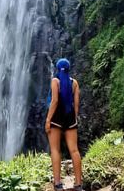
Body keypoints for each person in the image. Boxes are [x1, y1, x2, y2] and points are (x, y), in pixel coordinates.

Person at [45, 58, 82, 191]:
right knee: (74, 150)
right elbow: (76, 104)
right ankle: (78, 184)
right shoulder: (75, 83)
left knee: (55, 150)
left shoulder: (55, 81)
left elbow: (54, 101)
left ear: (57, 68)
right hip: (70, 117)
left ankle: (58, 183)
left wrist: (48, 119)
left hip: (56, 118)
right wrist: (74, 118)